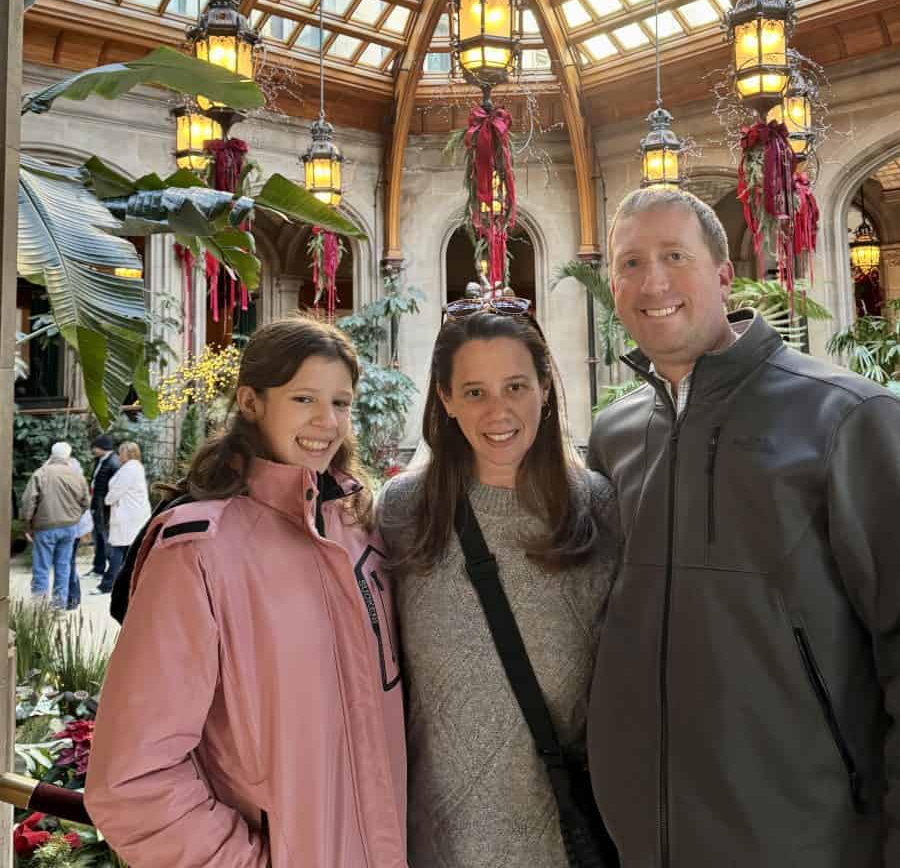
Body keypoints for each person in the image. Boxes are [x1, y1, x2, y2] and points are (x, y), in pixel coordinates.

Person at [586, 187, 900, 868]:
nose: (653, 282)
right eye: (631, 263)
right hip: (645, 841)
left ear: (724, 274)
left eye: (675, 256)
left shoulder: (848, 419)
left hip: (809, 841)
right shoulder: (614, 435)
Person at [85, 317, 407, 868]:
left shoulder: (359, 529)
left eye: (341, 403)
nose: (327, 421)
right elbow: (131, 780)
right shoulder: (197, 551)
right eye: (304, 398)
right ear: (251, 402)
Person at [377, 300, 619, 867]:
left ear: (545, 389)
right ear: (446, 400)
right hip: (437, 846)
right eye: (474, 392)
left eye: (515, 387)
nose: (498, 411)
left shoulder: (600, 509)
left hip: (568, 843)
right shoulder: (403, 512)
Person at [20, 441, 90, 609]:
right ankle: (59, 606)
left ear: (52, 455)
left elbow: (28, 502)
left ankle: (40, 608)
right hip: (69, 528)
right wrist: (75, 517)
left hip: (45, 527)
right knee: (63, 567)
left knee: (41, 567)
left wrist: (27, 525)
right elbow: (85, 502)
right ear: (68, 456)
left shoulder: (41, 473)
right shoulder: (77, 475)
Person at [94, 441, 150, 595]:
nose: (119, 455)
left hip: (127, 515)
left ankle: (107, 584)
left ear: (128, 453)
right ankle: (125, 583)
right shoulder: (134, 467)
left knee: (118, 549)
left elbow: (117, 490)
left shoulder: (130, 469)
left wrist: (107, 500)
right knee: (127, 550)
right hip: (131, 514)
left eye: (121, 452)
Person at [88, 434, 120, 576]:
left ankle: (111, 570)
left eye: (95, 447)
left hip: (105, 506)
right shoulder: (100, 460)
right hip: (97, 503)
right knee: (98, 536)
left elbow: (115, 486)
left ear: (103, 447)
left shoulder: (113, 462)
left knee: (105, 537)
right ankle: (98, 568)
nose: (93, 450)